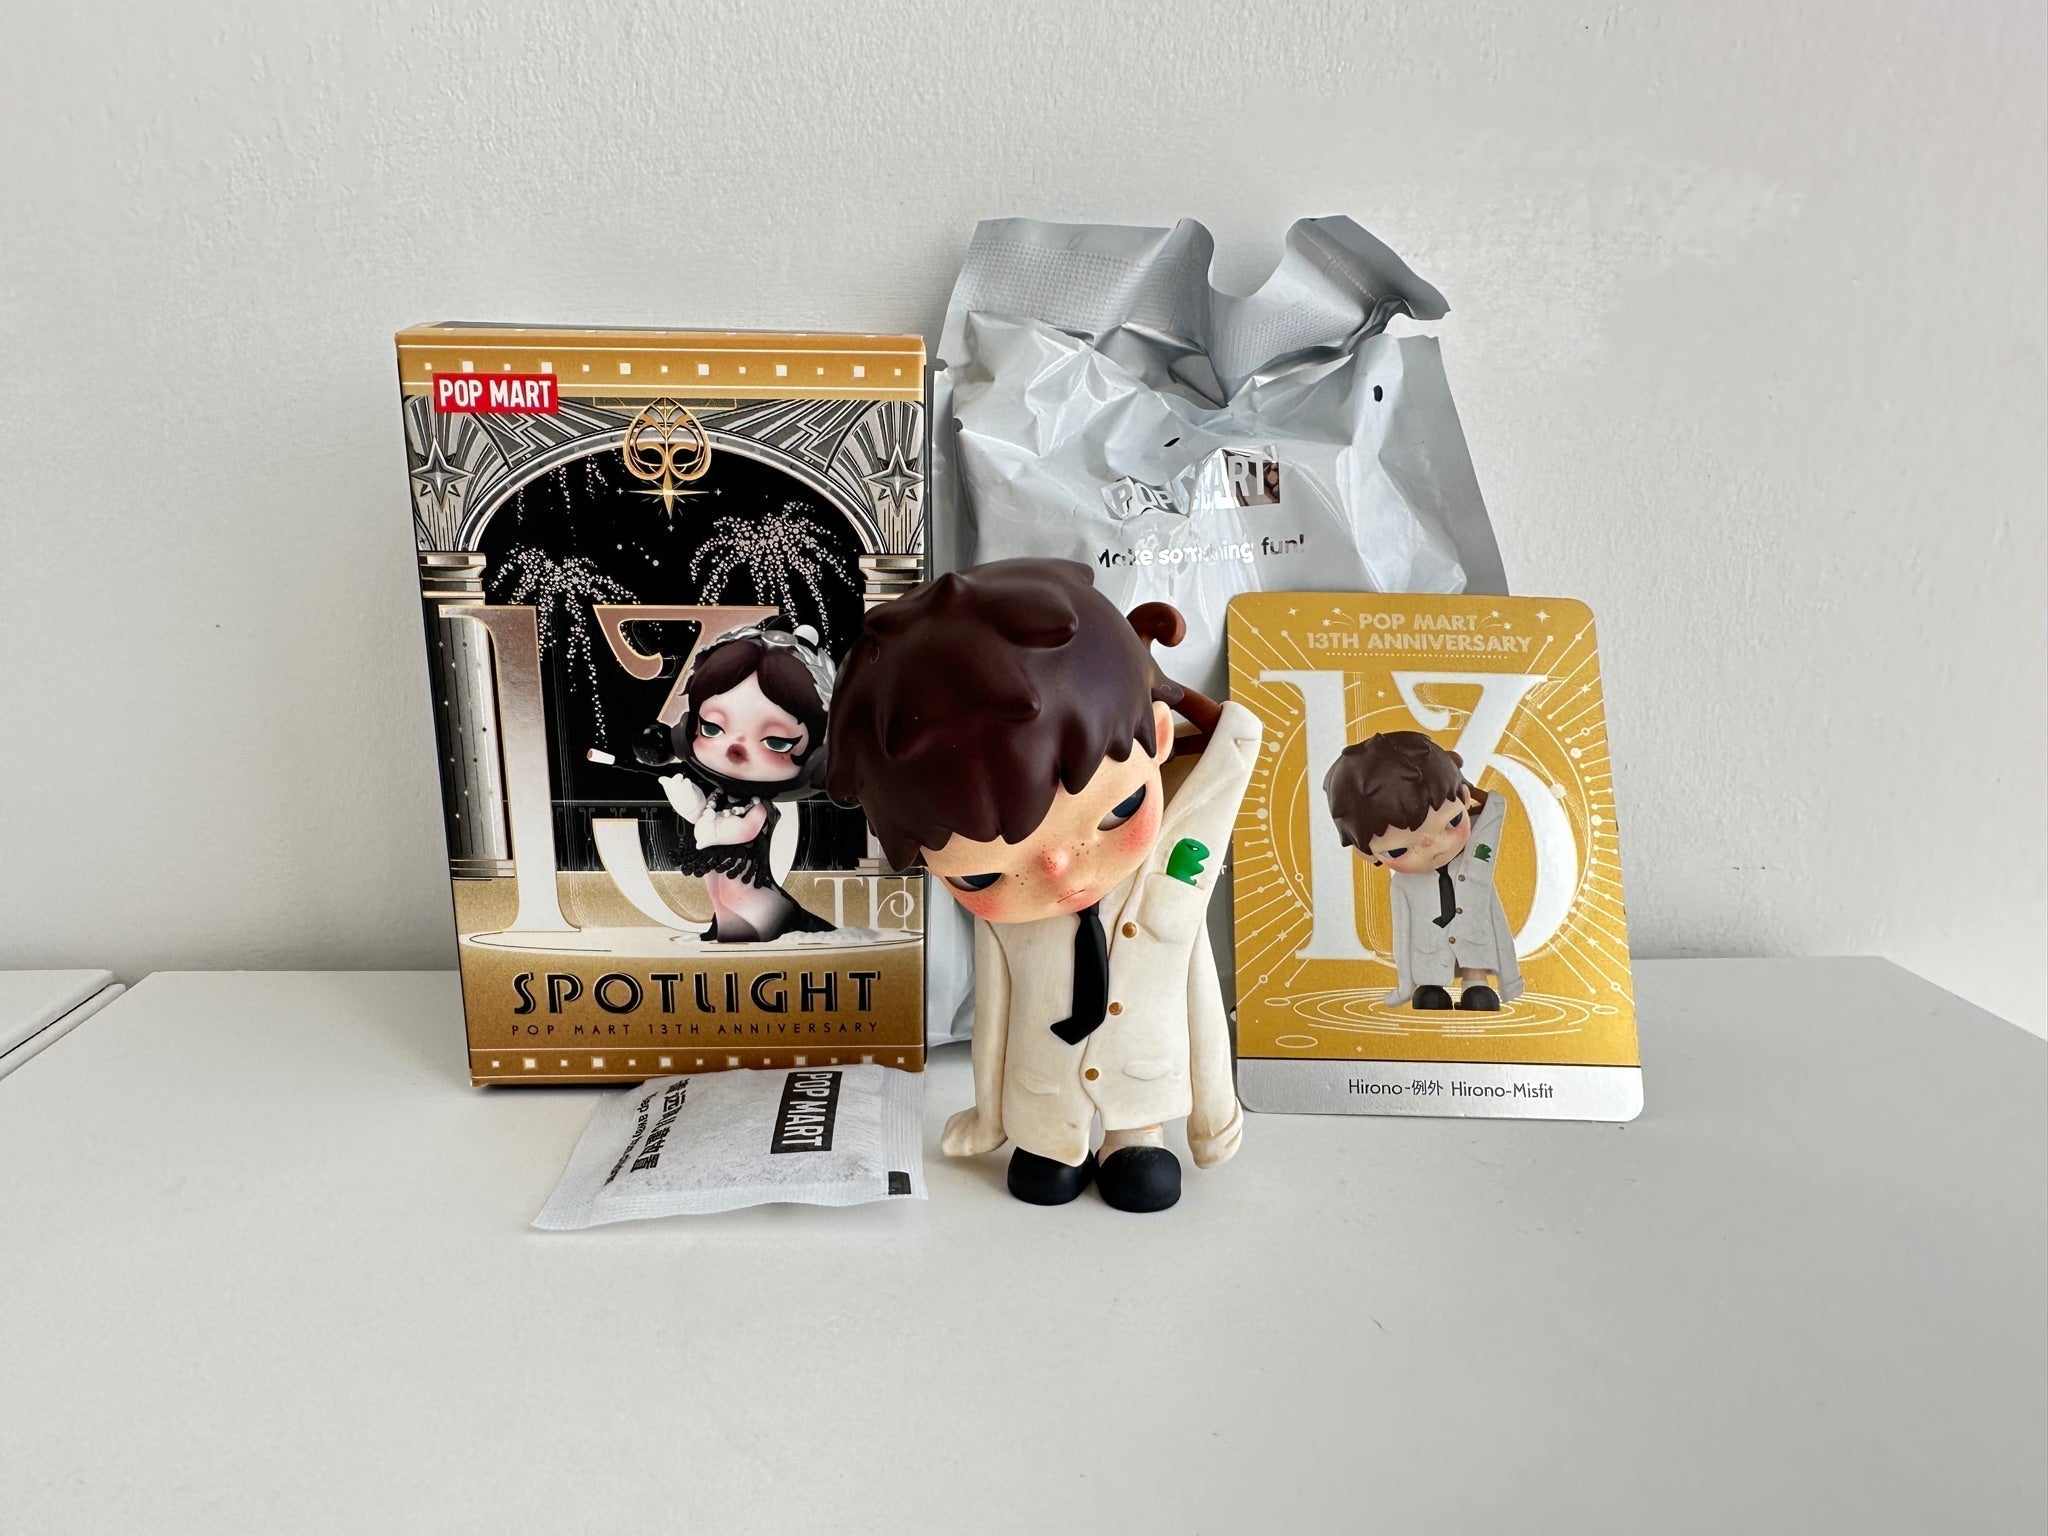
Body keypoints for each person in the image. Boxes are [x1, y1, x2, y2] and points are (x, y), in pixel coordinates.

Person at [826, 558, 1260, 1212]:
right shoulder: (1002, 925)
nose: (1058, 870)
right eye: (981, 873)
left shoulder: (1172, 884)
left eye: (1117, 811)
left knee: (1144, 1178)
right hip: (1041, 1098)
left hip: (1145, 1085)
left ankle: (1133, 1140)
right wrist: (989, 1117)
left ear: (1159, 737)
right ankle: (1055, 1146)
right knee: (1040, 1177)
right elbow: (993, 1017)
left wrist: (1214, 1116)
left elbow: (1199, 992)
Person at [638, 617, 837, 944]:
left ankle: (765, 927)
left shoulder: (758, 809)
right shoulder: (719, 797)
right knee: (721, 898)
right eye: (712, 728)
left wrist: (708, 827)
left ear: (820, 760)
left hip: (753, 891)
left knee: (739, 899)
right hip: (723, 880)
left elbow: (744, 830)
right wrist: (690, 804)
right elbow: (706, 816)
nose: (734, 749)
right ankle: (726, 929)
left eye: (777, 742)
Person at [1322, 731, 1523, 1011]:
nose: (1433, 846)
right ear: (1367, 854)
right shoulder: (1404, 885)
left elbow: (1494, 808)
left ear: (1465, 799)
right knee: (1429, 983)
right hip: (1427, 956)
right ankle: (1430, 986)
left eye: (1453, 821)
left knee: (1477, 970)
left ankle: (1475, 983)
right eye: (1398, 850)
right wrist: (1406, 984)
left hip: (1476, 949)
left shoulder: (1477, 860)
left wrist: (1460, 782)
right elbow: (1402, 936)